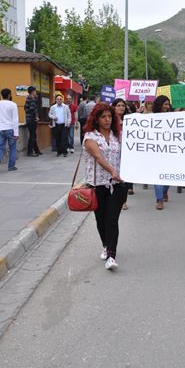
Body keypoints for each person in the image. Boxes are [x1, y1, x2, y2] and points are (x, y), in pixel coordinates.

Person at [83, 102, 128, 270]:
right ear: (96, 119)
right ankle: (105, 244)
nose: (107, 120)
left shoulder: (119, 135)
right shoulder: (90, 137)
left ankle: (111, 255)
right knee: (100, 219)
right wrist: (112, 170)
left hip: (118, 184)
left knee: (111, 219)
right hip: (97, 185)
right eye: (103, 117)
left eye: (110, 116)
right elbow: (98, 156)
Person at [0, 88, 19, 172]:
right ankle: (11, 166)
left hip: (0, 129)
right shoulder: (13, 104)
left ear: (2, 95)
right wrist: (16, 133)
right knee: (12, 148)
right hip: (10, 129)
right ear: (9, 95)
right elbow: (15, 120)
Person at [112, 98, 133, 210]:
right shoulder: (109, 121)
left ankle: (123, 201)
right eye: (118, 105)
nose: (121, 107)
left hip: (126, 153)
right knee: (115, 178)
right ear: (114, 107)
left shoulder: (130, 121)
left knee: (124, 178)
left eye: (123, 106)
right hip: (114, 154)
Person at [153, 95, 172, 210]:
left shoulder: (172, 117)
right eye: (165, 104)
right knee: (157, 176)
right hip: (156, 151)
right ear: (160, 105)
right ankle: (159, 199)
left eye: (168, 104)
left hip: (169, 151)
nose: (167, 106)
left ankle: (165, 191)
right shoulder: (151, 118)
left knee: (168, 176)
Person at [25, 86, 41, 157]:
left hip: (28, 119)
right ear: (33, 92)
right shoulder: (32, 99)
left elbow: (25, 108)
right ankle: (30, 152)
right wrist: (36, 116)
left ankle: (36, 150)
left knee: (33, 135)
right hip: (32, 119)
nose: (36, 92)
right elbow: (32, 109)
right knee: (32, 136)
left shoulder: (28, 98)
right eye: (35, 91)